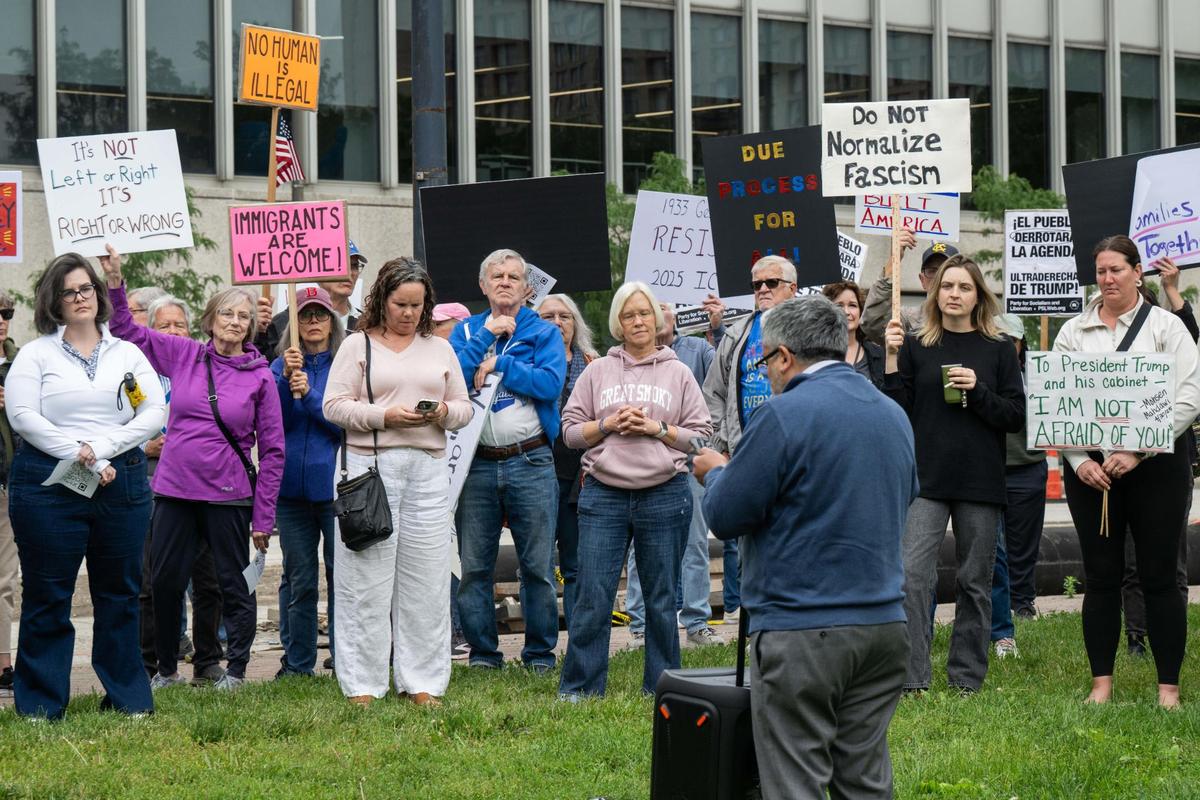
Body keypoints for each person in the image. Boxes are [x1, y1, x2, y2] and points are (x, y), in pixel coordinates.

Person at [694, 296, 918, 800]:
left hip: (802, 627)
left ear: (784, 357)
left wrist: (717, 474)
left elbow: (727, 515)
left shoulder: (781, 415)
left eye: (765, 361)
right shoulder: (893, 415)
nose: (768, 373)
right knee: (863, 779)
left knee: (795, 783)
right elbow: (905, 494)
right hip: (884, 624)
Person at [101, 247, 284, 692]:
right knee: (163, 583)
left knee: (229, 586)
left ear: (252, 327)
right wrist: (115, 281)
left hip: (229, 495)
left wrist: (263, 518)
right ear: (210, 320)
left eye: (244, 316)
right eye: (227, 313)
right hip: (175, 490)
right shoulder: (183, 355)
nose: (235, 321)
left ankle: (236, 669)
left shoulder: (260, 376)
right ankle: (166, 668)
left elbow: (273, 451)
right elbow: (126, 330)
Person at [6, 253, 166, 719]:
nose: (80, 298)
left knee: (119, 593)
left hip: (122, 481)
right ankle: (40, 704)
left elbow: (154, 411)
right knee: (48, 593)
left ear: (98, 294)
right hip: (48, 485)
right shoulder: (37, 354)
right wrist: (78, 452)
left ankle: (127, 700)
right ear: (53, 302)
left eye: (86, 289)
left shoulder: (127, 354)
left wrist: (103, 447)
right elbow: (22, 416)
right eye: (69, 291)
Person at [1053, 238, 1200, 708]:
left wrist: (1138, 450)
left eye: (1116, 269)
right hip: (1093, 473)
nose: (1108, 279)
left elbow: (1188, 397)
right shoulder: (1073, 331)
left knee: (1158, 576)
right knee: (1100, 576)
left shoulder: (1168, 327)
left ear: (1139, 273)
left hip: (1157, 469)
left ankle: (1168, 687)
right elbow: (1057, 401)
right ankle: (1101, 683)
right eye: (1100, 271)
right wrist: (1080, 463)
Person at [324, 258, 472, 706]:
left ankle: (423, 681)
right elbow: (334, 406)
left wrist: (444, 413)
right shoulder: (357, 345)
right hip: (371, 468)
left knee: (426, 579)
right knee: (364, 580)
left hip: (428, 468)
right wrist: (383, 416)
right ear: (382, 299)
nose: (408, 313)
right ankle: (362, 684)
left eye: (416, 305)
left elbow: (464, 408)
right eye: (400, 304)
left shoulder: (440, 349)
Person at [558, 282, 712, 699]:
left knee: (662, 598)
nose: (638, 321)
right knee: (592, 594)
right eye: (629, 315)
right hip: (604, 494)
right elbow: (570, 432)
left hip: (664, 493)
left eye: (644, 313)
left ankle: (663, 687)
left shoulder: (678, 371)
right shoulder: (597, 371)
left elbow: (702, 436)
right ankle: (581, 688)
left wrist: (657, 429)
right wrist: (607, 424)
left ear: (657, 319)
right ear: (618, 324)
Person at [883, 254, 1024, 695]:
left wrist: (977, 391)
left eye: (964, 287)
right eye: (947, 287)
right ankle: (912, 678)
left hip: (980, 480)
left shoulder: (998, 347)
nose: (954, 295)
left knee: (974, 582)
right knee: (911, 575)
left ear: (978, 295)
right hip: (926, 479)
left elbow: (1015, 416)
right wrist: (890, 359)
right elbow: (896, 412)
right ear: (934, 292)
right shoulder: (915, 344)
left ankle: (966, 678)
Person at [449, 249, 566, 672]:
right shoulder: (464, 331)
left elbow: (550, 383)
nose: (504, 281)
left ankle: (538, 654)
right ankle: (484, 655)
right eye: (496, 275)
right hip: (475, 463)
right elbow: (451, 379)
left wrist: (501, 363)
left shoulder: (543, 332)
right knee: (475, 567)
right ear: (483, 285)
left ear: (526, 287)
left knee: (536, 566)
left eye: (513, 276)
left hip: (530, 460)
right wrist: (486, 337)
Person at [136, 295, 226, 686]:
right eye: (164, 326)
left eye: (180, 325)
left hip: (201, 482)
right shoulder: (134, 371)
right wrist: (143, 445)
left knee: (208, 579)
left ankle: (207, 662)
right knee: (154, 580)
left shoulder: (201, 367)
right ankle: (153, 665)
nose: (173, 332)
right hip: (151, 480)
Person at [703, 255, 799, 624]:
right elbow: (714, 391)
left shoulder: (806, 327)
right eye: (756, 284)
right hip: (744, 448)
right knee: (748, 541)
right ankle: (755, 621)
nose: (761, 290)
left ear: (792, 286)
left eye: (771, 283)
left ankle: (790, 618)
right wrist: (719, 442)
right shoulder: (738, 332)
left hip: (794, 446)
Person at [625, 302, 723, 647]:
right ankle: (639, 624)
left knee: (695, 543)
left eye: (665, 306)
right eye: (653, 307)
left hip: (691, 459)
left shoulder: (698, 350)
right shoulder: (631, 359)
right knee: (641, 545)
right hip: (649, 464)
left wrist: (717, 326)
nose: (659, 314)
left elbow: (718, 390)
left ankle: (696, 622)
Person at [1122, 258, 1197, 657]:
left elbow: (1190, 337)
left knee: (1171, 558)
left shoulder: (1173, 334)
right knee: (1132, 559)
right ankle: (1136, 636)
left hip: (1170, 460)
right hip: (1123, 458)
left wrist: (1172, 291)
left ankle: (1171, 628)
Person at [271, 287, 346, 677]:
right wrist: (285, 381)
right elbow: (272, 423)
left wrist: (312, 397)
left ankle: (345, 658)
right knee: (299, 578)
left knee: (341, 576)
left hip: (335, 490)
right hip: (290, 493)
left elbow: (346, 423)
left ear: (332, 321)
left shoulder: (347, 364)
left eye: (320, 315)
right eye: (305, 316)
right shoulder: (279, 366)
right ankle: (298, 664)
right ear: (294, 323)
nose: (313, 322)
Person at [538, 293, 599, 630]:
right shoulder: (526, 362)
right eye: (549, 317)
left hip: (581, 477)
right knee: (537, 564)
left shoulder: (593, 364)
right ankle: (542, 643)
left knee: (577, 564)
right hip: (537, 472)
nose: (558, 323)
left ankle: (579, 637)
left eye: (565, 316)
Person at [994, 314, 1047, 628]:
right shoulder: (982, 371)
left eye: (1009, 340)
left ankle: (1023, 604)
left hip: (1028, 468)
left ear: (1020, 343)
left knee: (1024, 544)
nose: (1004, 346)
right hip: (991, 470)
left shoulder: (1036, 375)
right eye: (997, 338)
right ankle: (995, 605)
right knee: (991, 546)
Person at [255, 240, 365, 356]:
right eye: (340, 263)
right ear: (317, 269)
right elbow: (264, 367)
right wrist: (258, 332)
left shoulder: (367, 323)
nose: (349, 273)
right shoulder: (284, 321)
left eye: (354, 266)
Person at [861, 232, 949, 343]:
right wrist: (894, 259)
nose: (939, 278)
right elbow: (873, 324)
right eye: (932, 271)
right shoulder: (909, 320)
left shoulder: (975, 321)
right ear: (922, 280)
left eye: (946, 270)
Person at [0, 291, 18, 692]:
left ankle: (3, 664)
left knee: (4, 579)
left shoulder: (19, 366)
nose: (2, 320)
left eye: (6, 314)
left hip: (7, 484)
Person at [823, 280, 885, 387]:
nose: (846, 312)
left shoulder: (878, 354)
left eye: (852, 305)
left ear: (861, 310)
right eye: (839, 306)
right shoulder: (815, 354)